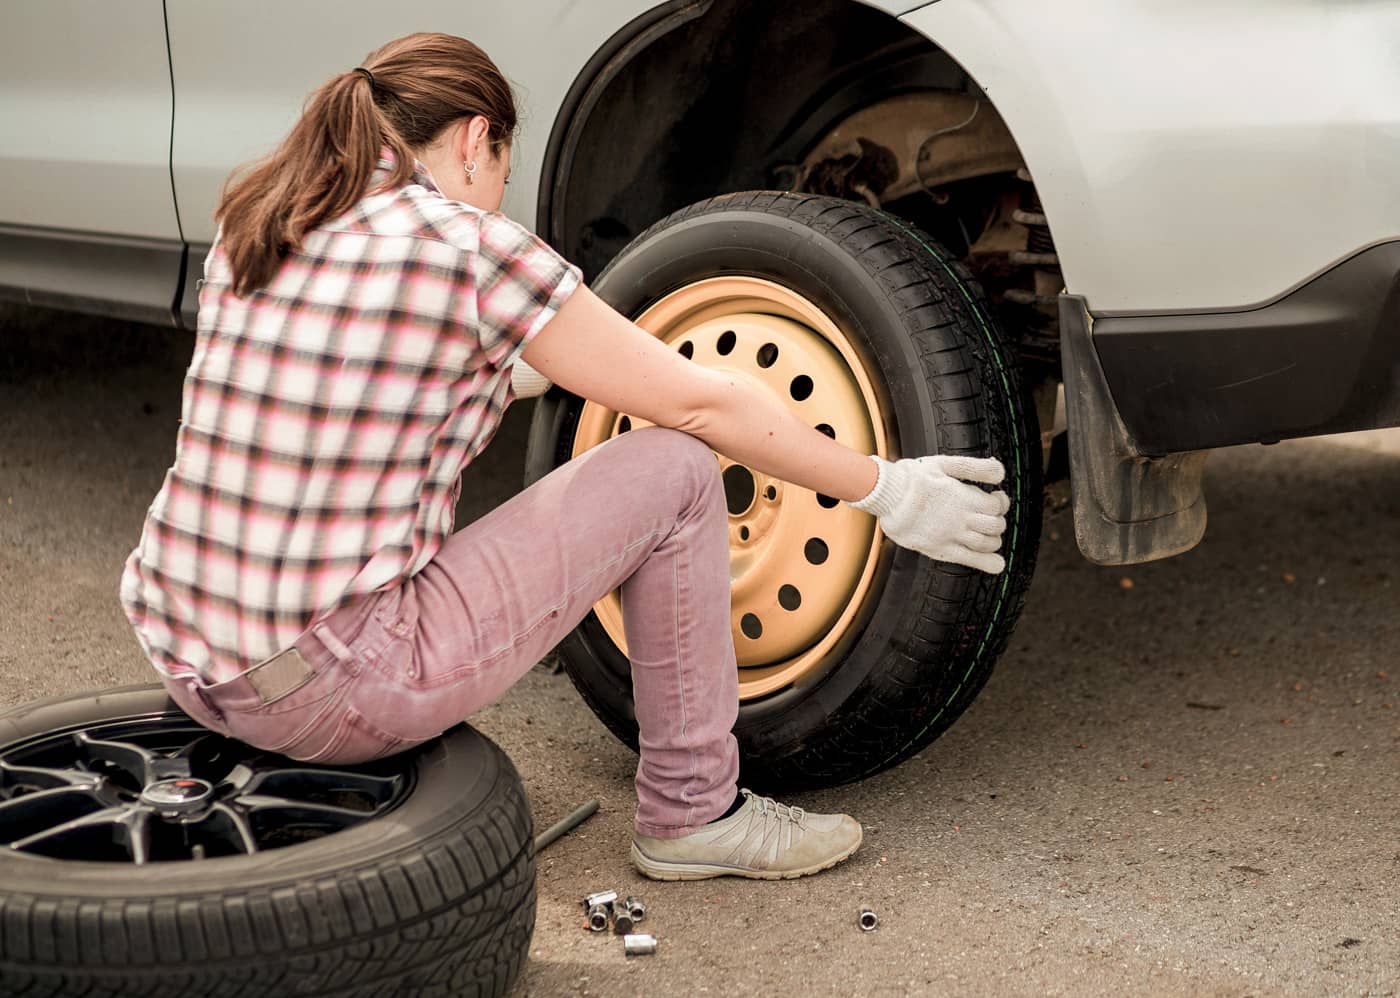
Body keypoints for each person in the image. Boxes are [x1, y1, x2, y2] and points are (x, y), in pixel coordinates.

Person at [120, 32, 1010, 882]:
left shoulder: (263, 226)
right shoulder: (467, 247)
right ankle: (695, 814)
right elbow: (701, 400)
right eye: (503, 171)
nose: (500, 197)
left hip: (191, 661)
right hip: (335, 694)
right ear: (476, 140)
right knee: (679, 471)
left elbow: (337, 389)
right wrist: (888, 488)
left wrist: (515, 376)